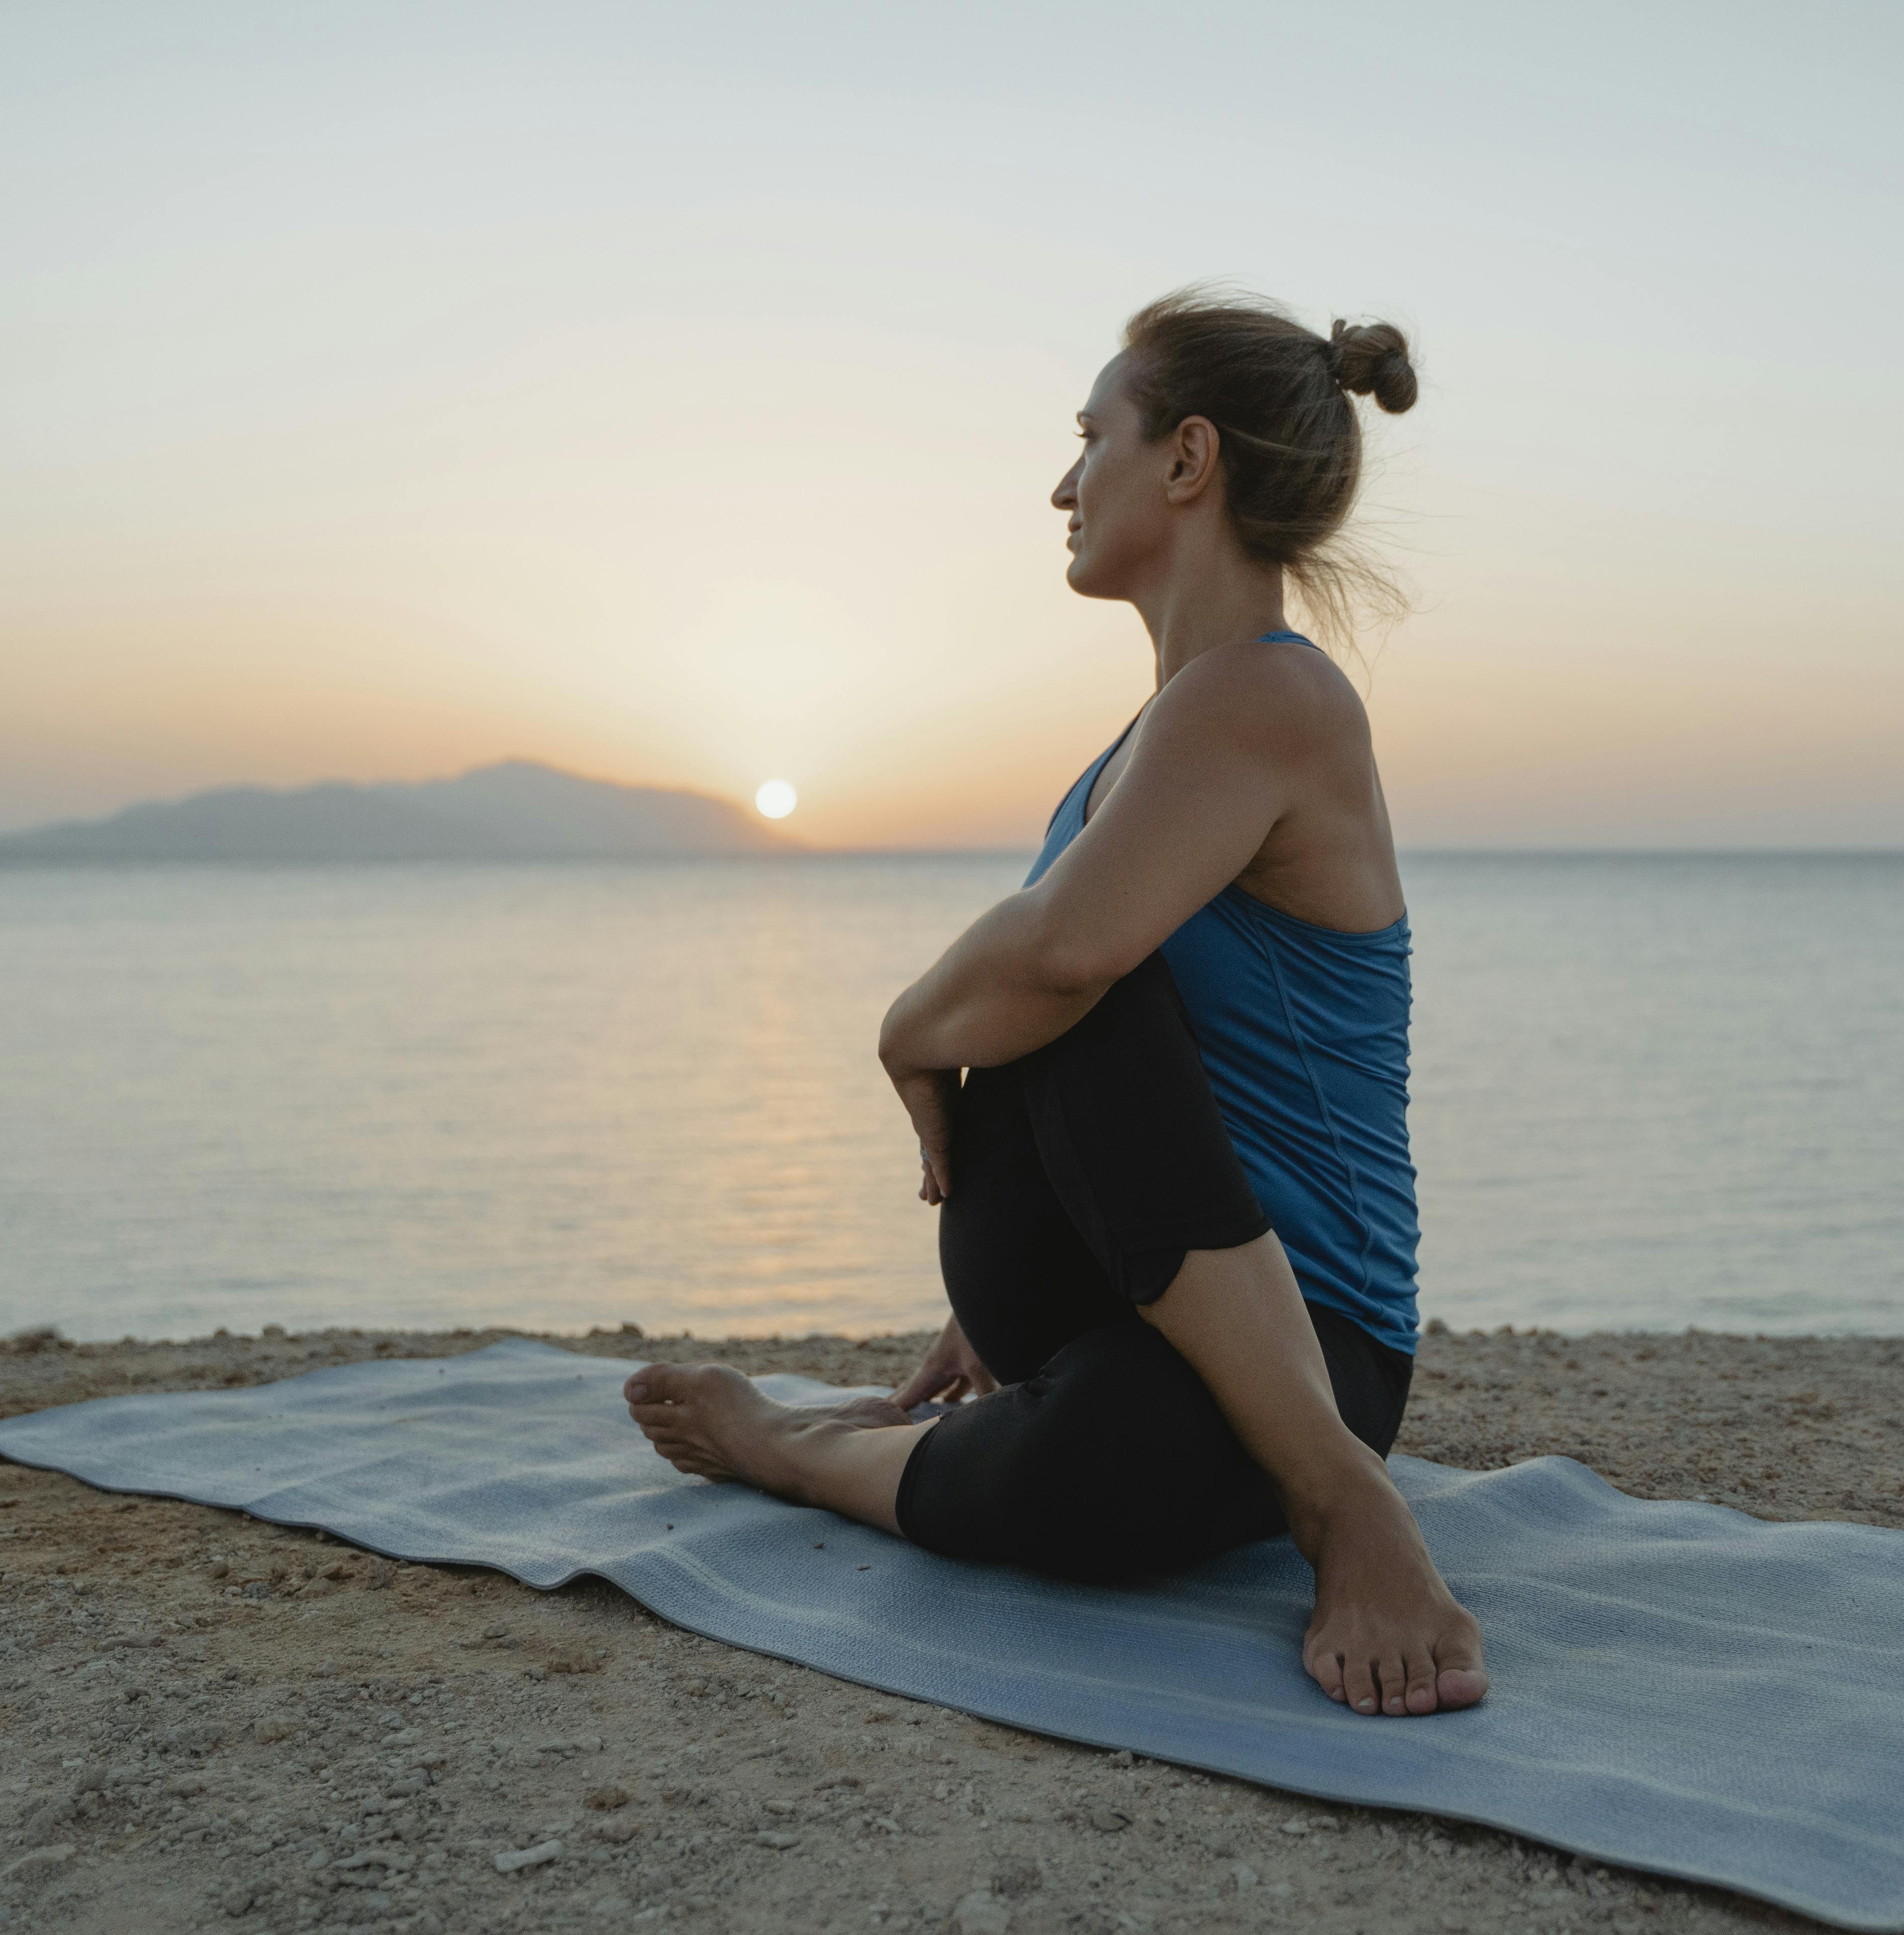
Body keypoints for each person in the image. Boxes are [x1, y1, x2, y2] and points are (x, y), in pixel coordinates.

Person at [622, 290, 1486, 1719]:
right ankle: (813, 1439)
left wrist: (904, 1031)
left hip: (1322, 1343)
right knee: (1052, 980)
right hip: (1130, 1305)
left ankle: (1340, 1499)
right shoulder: (1151, 745)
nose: (1062, 483)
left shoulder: (1270, 701)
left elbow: (1061, 963)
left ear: (1188, 461)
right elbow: (1061, 1005)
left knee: (1102, 1484)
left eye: (1093, 438)